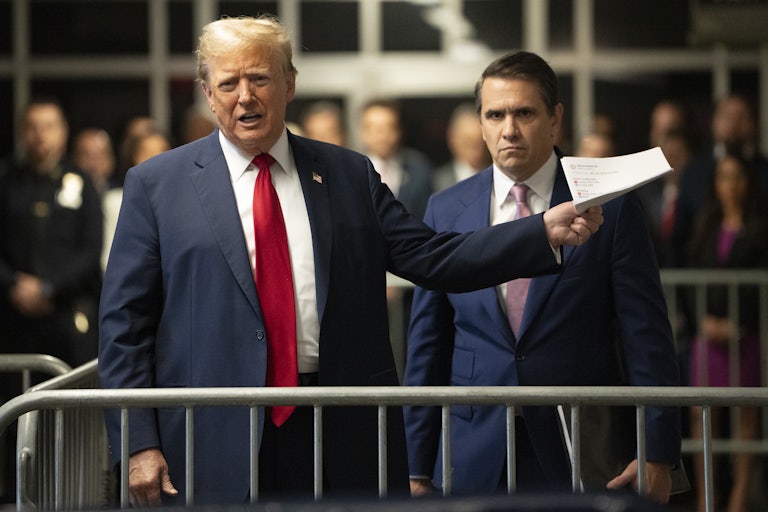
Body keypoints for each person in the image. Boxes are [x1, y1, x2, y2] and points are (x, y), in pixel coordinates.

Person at [97, 16, 603, 507]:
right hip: (212, 432)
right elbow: (124, 326)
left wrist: (539, 232)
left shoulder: (347, 174)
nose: (245, 96)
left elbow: (434, 255)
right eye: (228, 83)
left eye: (260, 78)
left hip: (337, 430)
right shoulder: (157, 186)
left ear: (289, 83)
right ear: (207, 94)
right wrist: (137, 442)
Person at [403, 51, 681, 504]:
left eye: (524, 113)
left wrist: (658, 451)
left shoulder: (609, 206)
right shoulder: (445, 209)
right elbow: (426, 347)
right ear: (481, 122)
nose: (508, 129)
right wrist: (416, 465)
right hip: (473, 448)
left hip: (579, 442)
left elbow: (646, 338)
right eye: (495, 115)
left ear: (555, 119)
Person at [685, 153, 768, 512]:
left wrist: (738, 323)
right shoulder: (706, 227)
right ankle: (708, 501)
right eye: (723, 177)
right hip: (707, 338)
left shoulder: (761, 229)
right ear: (715, 183)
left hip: (746, 338)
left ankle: (738, 502)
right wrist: (703, 320)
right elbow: (691, 282)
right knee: (703, 419)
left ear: (748, 183)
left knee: (745, 420)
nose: (730, 184)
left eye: (737, 176)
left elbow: (756, 287)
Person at [0, 97, 103, 368]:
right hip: (12, 316)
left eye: (48, 126)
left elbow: (91, 251)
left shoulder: (82, 183)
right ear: (22, 132)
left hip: (68, 315)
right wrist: (13, 284)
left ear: (63, 131)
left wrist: (48, 287)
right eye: (33, 127)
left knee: (71, 403)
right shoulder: (6, 182)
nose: (40, 135)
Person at [668, 94, 768, 267]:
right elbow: (680, 237)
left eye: (741, 117)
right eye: (727, 116)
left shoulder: (764, 171)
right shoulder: (694, 172)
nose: (734, 124)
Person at [101, 129, 172, 271]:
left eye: (162, 152)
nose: (156, 159)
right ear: (133, 157)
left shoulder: (185, 201)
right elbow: (108, 260)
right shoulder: (115, 201)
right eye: (147, 153)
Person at [358, 98, 433, 219]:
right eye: (374, 128)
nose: (382, 135)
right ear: (362, 132)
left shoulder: (419, 169)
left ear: (399, 130)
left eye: (388, 127)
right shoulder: (351, 170)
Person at [432, 102, 491, 192]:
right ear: (452, 139)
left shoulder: (499, 179)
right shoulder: (436, 182)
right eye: (467, 143)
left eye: (480, 142)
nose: (475, 151)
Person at [72, 128, 117, 195]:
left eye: (98, 156)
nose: (92, 162)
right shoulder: (67, 195)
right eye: (85, 156)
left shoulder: (121, 195)